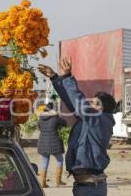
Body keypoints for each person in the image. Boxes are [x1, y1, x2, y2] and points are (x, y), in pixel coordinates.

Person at [38, 58, 116, 196]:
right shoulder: (89, 120)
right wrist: (55, 78)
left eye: (96, 104)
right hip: (83, 187)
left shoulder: (101, 121)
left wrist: (68, 77)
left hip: (92, 189)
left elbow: (80, 104)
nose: (90, 106)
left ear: (104, 109)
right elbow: (72, 101)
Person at [38, 102, 67, 188]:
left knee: (44, 161)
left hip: (43, 142)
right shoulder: (55, 118)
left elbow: (39, 128)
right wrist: (58, 115)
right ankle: (58, 181)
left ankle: (43, 182)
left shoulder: (40, 118)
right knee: (60, 160)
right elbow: (65, 124)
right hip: (54, 142)